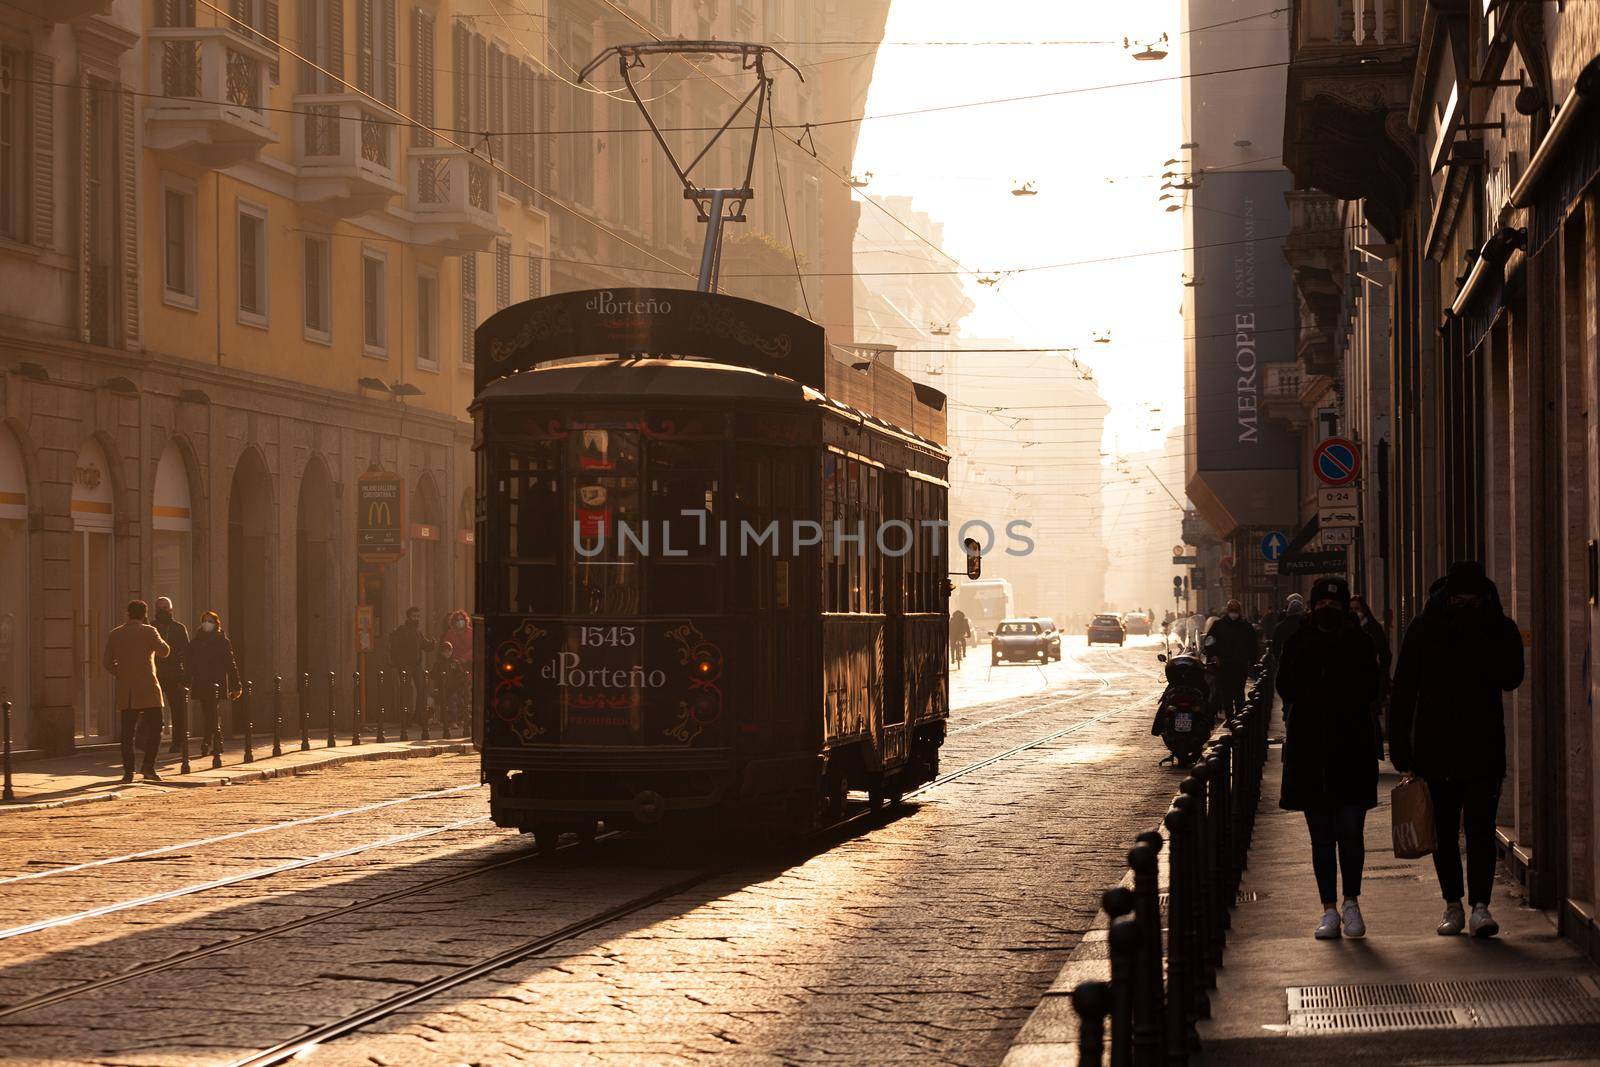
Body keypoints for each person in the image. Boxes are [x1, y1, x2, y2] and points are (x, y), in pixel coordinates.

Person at [1389, 560, 1525, 939]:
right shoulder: (1425, 629)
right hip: (1436, 747)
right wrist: (1402, 749)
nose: (1467, 607)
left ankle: (1480, 905)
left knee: (1481, 829)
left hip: (1482, 746)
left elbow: (1512, 676)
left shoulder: (1498, 627)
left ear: (1484, 597)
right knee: (1444, 832)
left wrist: (1484, 634)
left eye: (1473, 601)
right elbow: (1404, 690)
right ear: (1448, 596)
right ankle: (1452, 903)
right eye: (1461, 601)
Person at [1276, 576, 1381, 940]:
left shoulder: (1359, 642)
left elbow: (1373, 688)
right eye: (1322, 604)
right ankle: (1329, 910)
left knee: (1351, 833)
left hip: (1351, 751)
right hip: (1310, 754)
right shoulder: (1297, 642)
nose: (1328, 610)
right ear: (1312, 606)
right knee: (1321, 838)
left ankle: (1351, 902)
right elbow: (1283, 686)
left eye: (1335, 605)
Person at [102, 600, 171, 783]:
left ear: (128, 613)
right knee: (156, 728)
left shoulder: (115, 634)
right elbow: (164, 651)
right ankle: (148, 767)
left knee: (127, 733)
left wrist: (122, 673)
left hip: (127, 691)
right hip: (148, 688)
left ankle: (128, 772)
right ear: (144, 614)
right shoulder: (149, 631)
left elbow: (107, 662)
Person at [189, 611, 242, 757]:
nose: (207, 623)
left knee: (211, 711)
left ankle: (210, 742)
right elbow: (190, 663)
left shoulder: (222, 640)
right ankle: (215, 741)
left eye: (210, 621)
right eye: (204, 620)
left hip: (216, 682)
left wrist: (236, 685)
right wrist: (187, 680)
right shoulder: (196, 641)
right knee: (208, 713)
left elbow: (231, 664)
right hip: (201, 681)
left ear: (216, 623)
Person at [1348, 593, 1391, 756]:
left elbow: (1386, 654)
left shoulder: (1373, 628)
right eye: (1351, 609)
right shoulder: (1345, 629)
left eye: (1357, 609)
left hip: (1369, 682)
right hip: (1352, 684)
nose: (1355, 612)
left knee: (1370, 719)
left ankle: (1372, 752)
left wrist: (1381, 673)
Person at [152, 597, 190, 753]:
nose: (163, 610)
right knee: (153, 710)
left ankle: (178, 742)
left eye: (166, 607)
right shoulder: (151, 627)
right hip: (155, 674)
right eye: (160, 608)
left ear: (171, 609)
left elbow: (187, 654)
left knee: (178, 710)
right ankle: (153, 741)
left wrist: (186, 677)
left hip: (175, 674)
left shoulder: (179, 628)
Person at [1208, 598, 1257, 717]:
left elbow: (1253, 645)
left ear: (1239, 611)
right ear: (1227, 610)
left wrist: (1253, 661)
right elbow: (1209, 642)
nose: (1233, 613)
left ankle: (1240, 716)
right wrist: (1213, 656)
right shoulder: (1218, 625)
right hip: (1224, 665)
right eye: (1231, 610)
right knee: (1226, 694)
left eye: (1235, 610)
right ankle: (1230, 717)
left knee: (1239, 692)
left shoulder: (1246, 626)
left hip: (1240, 665)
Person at [388, 607, 436, 722]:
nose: (416, 618)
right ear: (408, 617)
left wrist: (432, 643)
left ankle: (418, 716)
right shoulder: (402, 630)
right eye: (414, 616)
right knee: (406, 691)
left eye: (418, 616)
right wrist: (399, 663)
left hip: (416, 665)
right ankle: (406, 717)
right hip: (405, 665)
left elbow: (425, 645)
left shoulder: (417, 631)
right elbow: (394, 648)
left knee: (422, 689)